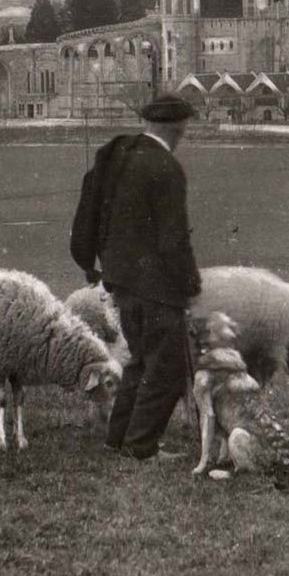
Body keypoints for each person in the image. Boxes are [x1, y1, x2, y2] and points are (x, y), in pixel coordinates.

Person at [73, 93, 201, 461]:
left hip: (120, 279)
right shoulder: (166, 167)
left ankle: (118, 438)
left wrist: (94, 263)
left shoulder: (117, 157)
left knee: (140, 360)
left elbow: (90, 214)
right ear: (177, 126)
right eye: (184, 127)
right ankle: (141, 446)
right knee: (168, 367)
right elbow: (173, 239)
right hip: (157, 287)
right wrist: (189, 283)